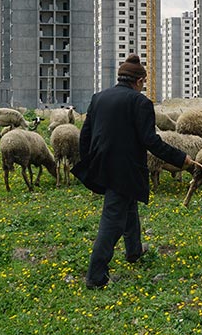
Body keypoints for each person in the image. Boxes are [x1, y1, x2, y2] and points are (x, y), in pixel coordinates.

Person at [72, 54, 194, 290]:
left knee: (128, 207)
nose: (144, 87)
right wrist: (182, 159)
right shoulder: (140, 103)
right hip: (125, 169)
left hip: (102, 165)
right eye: (144, 82)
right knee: (112, 220)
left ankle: (134, 252)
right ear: (138, 81)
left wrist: (89, 162)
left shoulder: (99, 98)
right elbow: (150, 141)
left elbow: (84, 135)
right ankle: (96, 276)